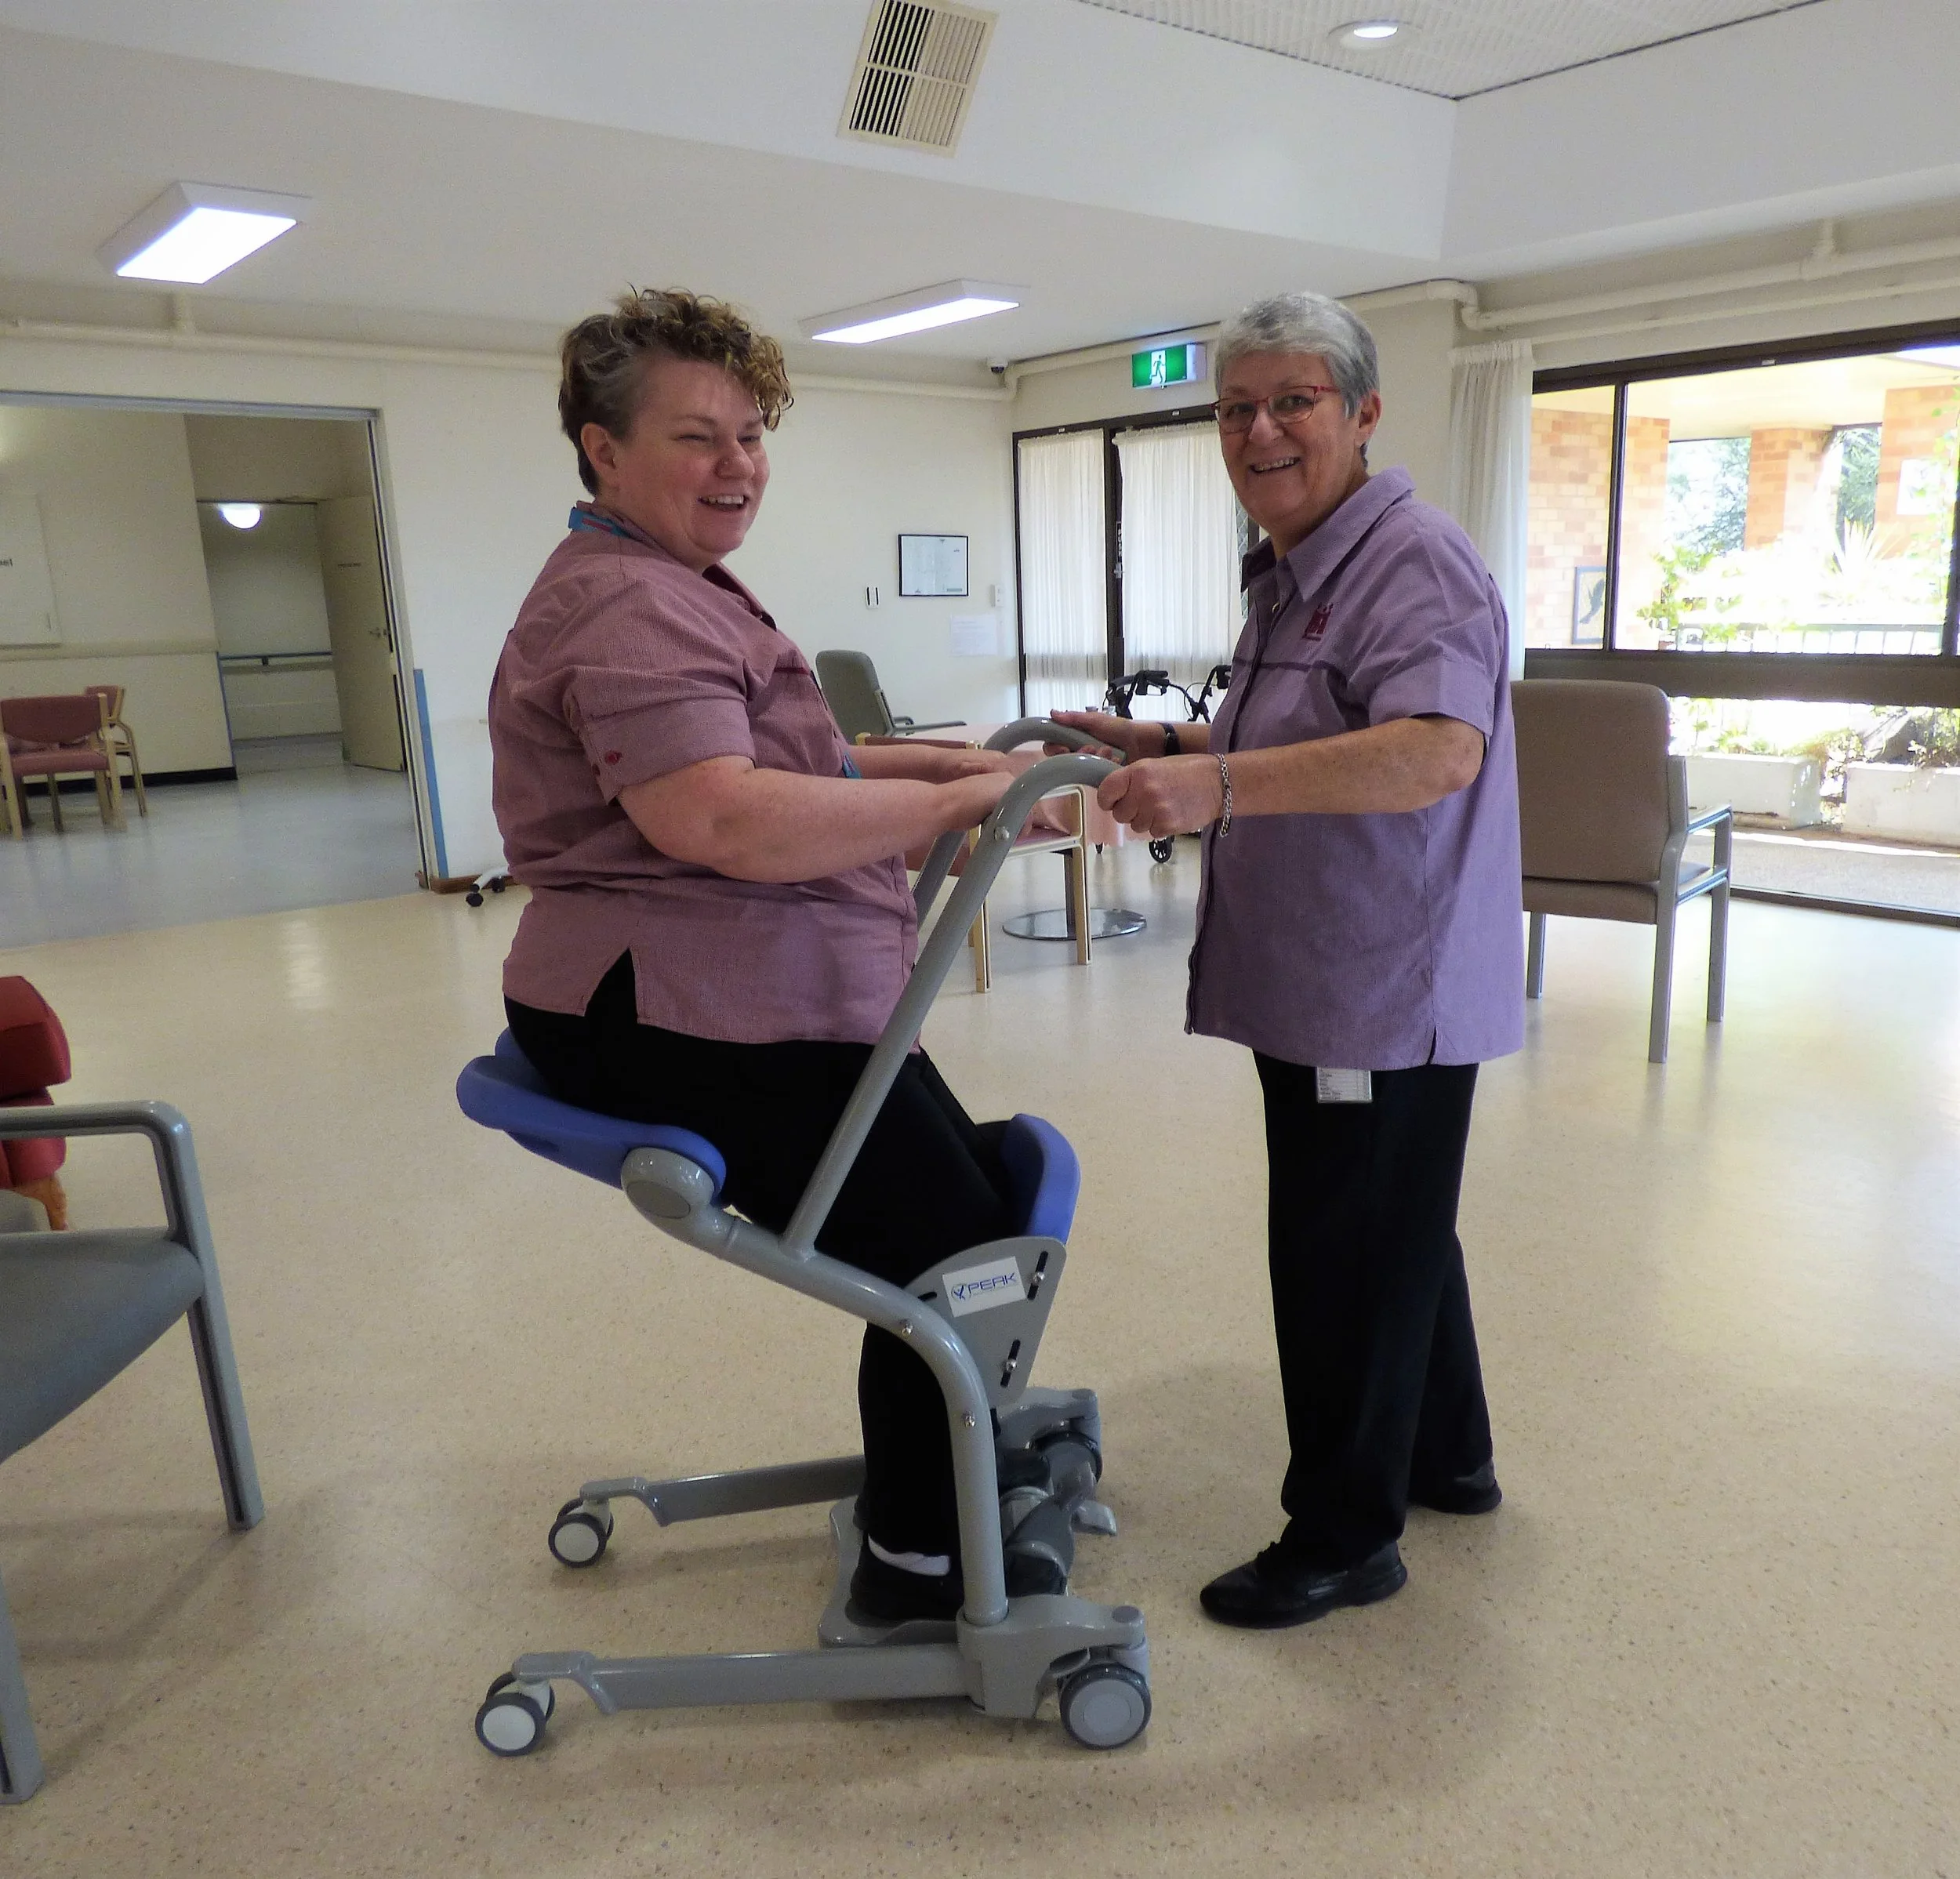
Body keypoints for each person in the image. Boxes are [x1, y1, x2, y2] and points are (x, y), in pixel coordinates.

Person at [488, 288, 1039, 1624]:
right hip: (668, 1009)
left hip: (726, 991)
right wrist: (949, 805)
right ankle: (918, 1561)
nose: (737, 466)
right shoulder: (629, 603)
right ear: (601, 450)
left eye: (750, 435)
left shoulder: (667, 580)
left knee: (979, 1202)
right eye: (698, 437)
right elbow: (720, 812)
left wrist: (953, 761)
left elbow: (796, 760)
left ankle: (946, 1457)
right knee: (954, 1238)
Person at [1054, 289, 1523, 1629]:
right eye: (1235, 406)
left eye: (1293, 401)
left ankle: (1343, 1537)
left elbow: (1434, 749)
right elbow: (1305, 732)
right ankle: (1450, 1460)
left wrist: (1220, 793)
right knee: (1392, 1227)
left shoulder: (1409, 563)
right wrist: (1167, 755)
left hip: (1375, 987)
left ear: (1364, 414)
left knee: (1341, 1250)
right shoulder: (1297, 566)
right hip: (1328, 973)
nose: (1259, 430)